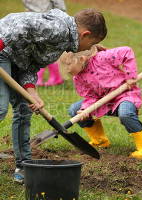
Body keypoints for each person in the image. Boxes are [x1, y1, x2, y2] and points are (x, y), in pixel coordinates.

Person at [0, 8, 107, 183]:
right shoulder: (58, 29)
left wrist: (31, 91)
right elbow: (20, 26)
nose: (88, 49)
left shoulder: (62, 42)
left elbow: (29, 63)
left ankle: (23, 164)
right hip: (3, 53)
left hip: (16, 61)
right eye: (90, 44)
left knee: (23, 109)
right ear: (84, 34)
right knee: (0, 107)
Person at [60, 45, 142, 159]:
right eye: (64, 65)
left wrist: (130, 76)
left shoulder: (102, 58)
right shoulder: (78, 77)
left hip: (124, 95)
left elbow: (127, 52)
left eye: (68, 64)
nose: (67, 69)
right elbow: (90, 96)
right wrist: (85, 109)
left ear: (81, 59)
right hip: (103, 102)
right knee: (74, 110)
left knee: (125, 114)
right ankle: (100, 141)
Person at [22, 0, 67, 86]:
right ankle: (42, 76)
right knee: (36, 48)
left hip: (49, 20)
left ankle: (55, 77)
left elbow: (59, 4)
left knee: (48, 48)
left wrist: (60, 16)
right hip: (33, 20)